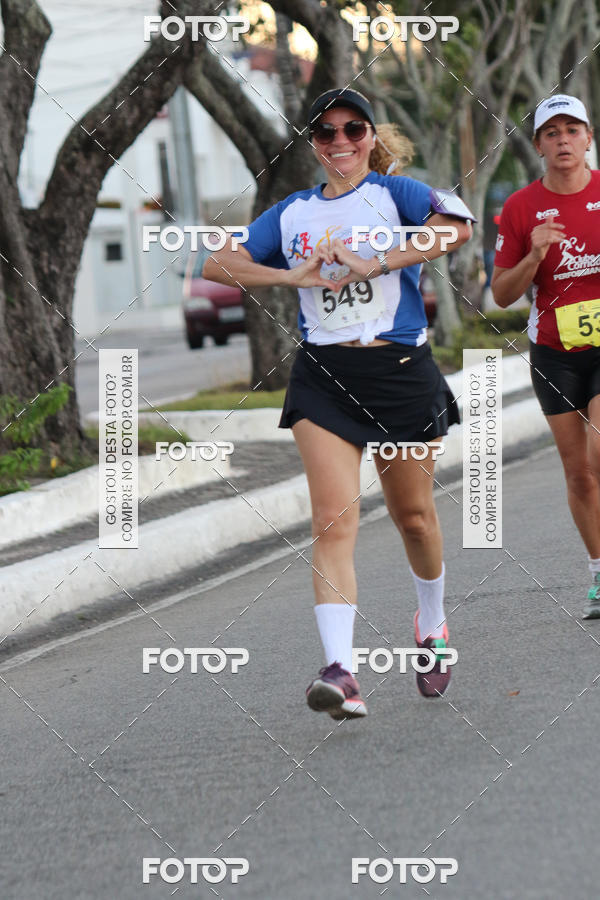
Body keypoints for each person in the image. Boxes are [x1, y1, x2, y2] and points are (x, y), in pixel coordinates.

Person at [204, 88, 472, 717]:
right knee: (331, 521)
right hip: (325, 375)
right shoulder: (292, 213)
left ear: (371, 136)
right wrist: (290, 276)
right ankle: (342, 672)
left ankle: (431, 626)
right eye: (327, 134)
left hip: (400, 369)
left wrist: (376, 262)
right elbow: (219, 263)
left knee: (414, 518)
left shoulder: (394, 194)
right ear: (314, 145)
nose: (342, 142)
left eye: (354, 129)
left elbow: (455, 230)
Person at [492, 94, 600, 618]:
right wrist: (534, 254)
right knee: (579, 472)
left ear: (588, 137)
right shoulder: (519, 208)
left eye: (572, 130)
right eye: (551, 132)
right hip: (555, 351)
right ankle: (599, 573)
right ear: (538, 145)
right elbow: (502, 294)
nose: (563, 140)